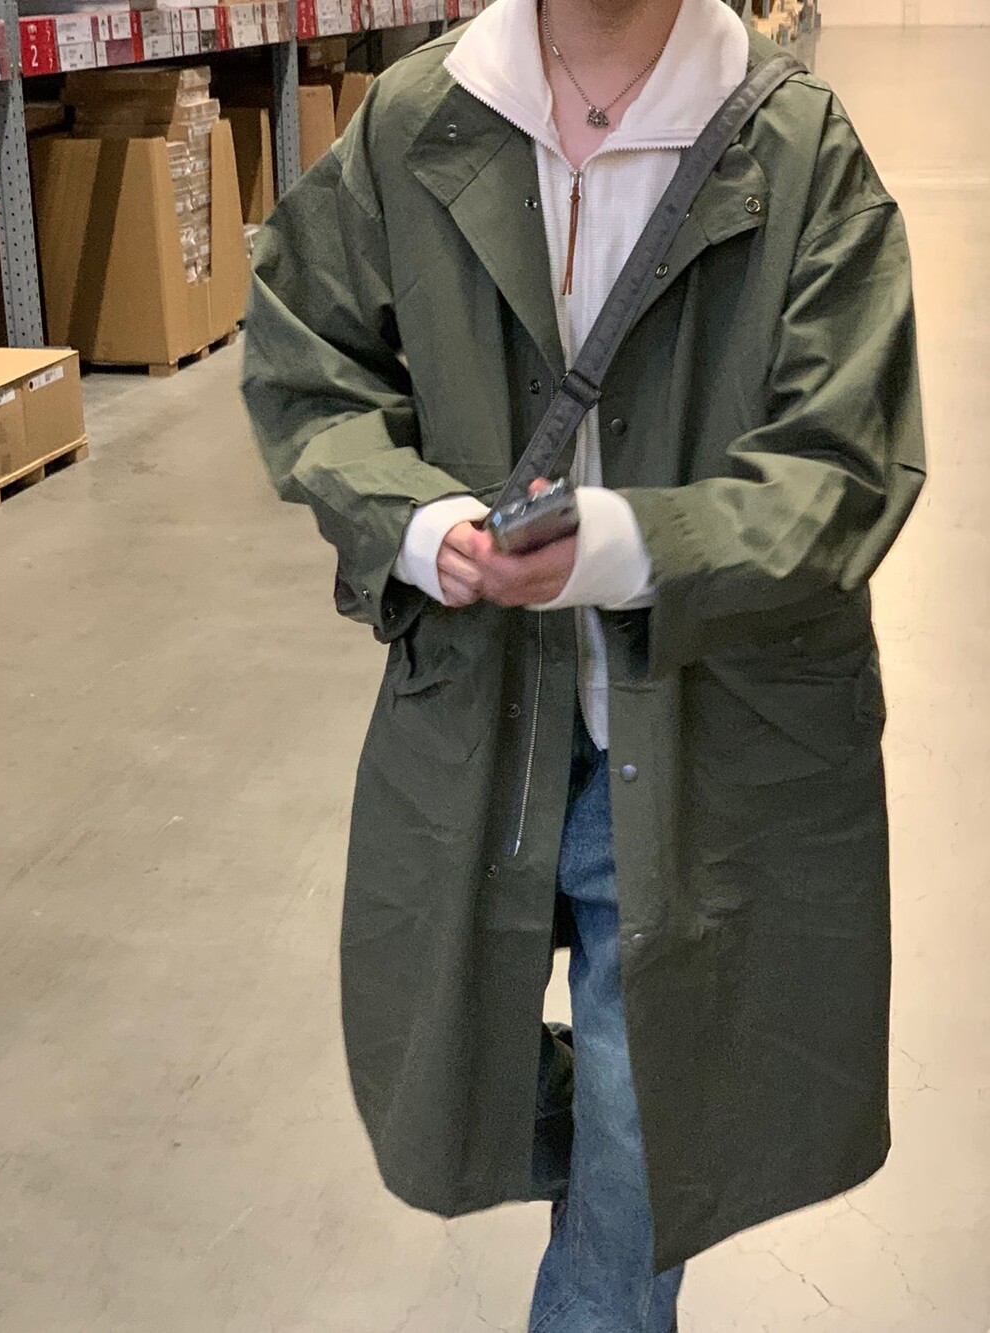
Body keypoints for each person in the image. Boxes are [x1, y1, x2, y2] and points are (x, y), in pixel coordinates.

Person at [242, 0, 926, 1327]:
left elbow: (846, 464)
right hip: (477, 728)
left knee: (635, 1128)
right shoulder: (421, 118)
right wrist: (417, 522)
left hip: (701, 739)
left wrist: (624, 543)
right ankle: (643, 1132)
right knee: (445, 1060)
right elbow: (307, 355)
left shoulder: (797, 149)